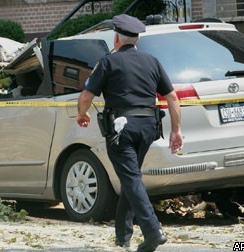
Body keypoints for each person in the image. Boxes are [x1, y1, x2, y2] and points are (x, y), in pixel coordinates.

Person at [76, 14, 183, 252]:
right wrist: (176, 130)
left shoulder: (107, 62)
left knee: (131, 178)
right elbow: (172, 97)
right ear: (137, 41)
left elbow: (86, 96)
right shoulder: (152, 61)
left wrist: (82, 113)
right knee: (130, 177)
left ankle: (153, 231)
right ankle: (122, 236)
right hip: (148, 127)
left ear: (116, 38)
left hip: (121, 129)